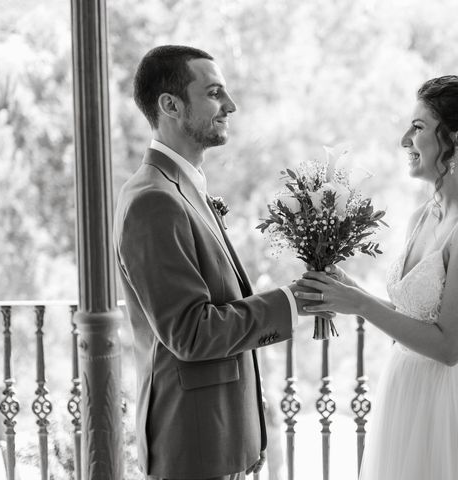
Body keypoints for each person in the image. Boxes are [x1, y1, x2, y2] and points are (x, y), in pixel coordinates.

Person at [295, 76, 458, 479]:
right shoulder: (422, 216)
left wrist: (361, 305)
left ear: (456, 142)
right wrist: (350, 291)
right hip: (405, 392)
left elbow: (451, 346)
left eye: (418, 127)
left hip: (447, 407)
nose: (405, 139)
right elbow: (419, 319)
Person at [113, 45, 323, 480]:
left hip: (217, 438)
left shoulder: (182, 188)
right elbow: (190, 332)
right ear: (170, 105)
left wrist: (245, 432)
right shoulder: (153, 200)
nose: (230, 105)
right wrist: (291, 302)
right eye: (214, 93)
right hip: (193, 447)